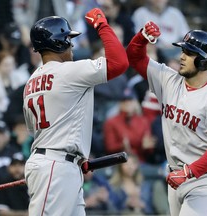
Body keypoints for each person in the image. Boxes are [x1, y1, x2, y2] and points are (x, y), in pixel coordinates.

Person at [126, 21, 207, 216]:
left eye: (189, 53)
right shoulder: (169, 80)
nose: (182, 56)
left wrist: (189, 172)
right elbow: (134, 57)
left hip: (206, 179)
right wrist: (142, 37)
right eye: (183, 51)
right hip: (176, 175)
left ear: (204, 61)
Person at [23, 8, 128, 216]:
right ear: (58, 42)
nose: (72, 45)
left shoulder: (30, 82)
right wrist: (102, 25)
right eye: (68, 39)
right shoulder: (69, 71)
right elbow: (120, 62)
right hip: (56, 167)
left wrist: (76, 156)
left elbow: (38, 129)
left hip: (57, 163)